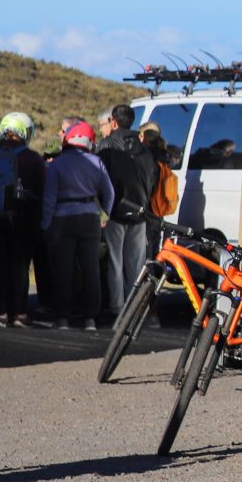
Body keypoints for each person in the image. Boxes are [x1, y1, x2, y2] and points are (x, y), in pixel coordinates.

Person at [0, 113, 46, 327]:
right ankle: (19, 312)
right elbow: (42, 192)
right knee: (20, 266)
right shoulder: (33, 159)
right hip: (23, 222)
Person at [41, 122, 114, 330]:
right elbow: (109, 193)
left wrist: (46, 224)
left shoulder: (57, 164)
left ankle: (62, 318)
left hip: (62, 220)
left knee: (63, 271)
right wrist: (104, 215)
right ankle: (90, 319)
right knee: (91, 270)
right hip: (90, 218)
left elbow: (49, 199)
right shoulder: (97, 162)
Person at [96, 104, 157, 325]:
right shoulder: (145, 151)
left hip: (115, 211)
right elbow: (152, 180)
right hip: (140, 212)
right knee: (136, 264)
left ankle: (117, 307)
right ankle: (135, 306)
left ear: (113, 122)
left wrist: (104, 208)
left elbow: (100, 178)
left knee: (115, 262)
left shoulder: (106, 145)